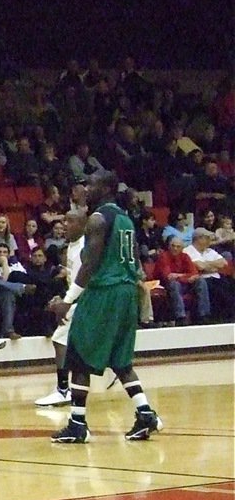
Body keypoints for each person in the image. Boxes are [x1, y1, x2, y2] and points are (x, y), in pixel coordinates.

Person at [48, 172, 162, 443]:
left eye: (92, 184)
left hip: (105, 291)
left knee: (77, 352)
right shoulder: (125, 219)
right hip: (126, 291)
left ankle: (77, 423)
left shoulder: (98, 219)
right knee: (120, 359)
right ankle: (146, 413)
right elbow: (134, 258)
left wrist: (68, 300)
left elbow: (89, 264)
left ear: (107, 188)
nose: (87, 189)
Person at [34, 209, 86, 406]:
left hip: (84, 301)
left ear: (82, 225)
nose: (65, 225)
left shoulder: (82, 248)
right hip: (76, 300)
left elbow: (84, 280)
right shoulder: (71, 246)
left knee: (60, 339)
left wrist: (66, 302)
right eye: (64, 221)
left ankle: (64, 390)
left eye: (71, 221)